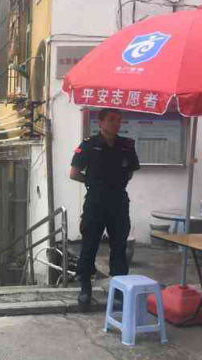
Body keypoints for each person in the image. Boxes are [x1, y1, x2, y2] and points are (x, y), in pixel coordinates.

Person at [70, 108, 140, 306]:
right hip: (95, 202)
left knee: (119, 247)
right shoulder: (89, 145)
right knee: (89, 245)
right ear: (100, 123)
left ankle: (119, 288)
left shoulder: (126, 145)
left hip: (118, 202)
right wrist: (93, 182)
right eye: (111, 120)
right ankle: (85, 288)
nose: (116, 124)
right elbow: (74, 173)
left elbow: (130, 173)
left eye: (118, 120)